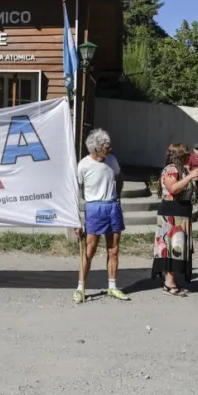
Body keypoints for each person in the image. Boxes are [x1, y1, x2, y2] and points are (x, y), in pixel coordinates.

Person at [73, 128, 129, 303]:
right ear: (96, 148)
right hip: (94, 208)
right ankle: (80, 288)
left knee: (113, 249)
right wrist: (76, 220)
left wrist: (117, 196)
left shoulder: (112, 160)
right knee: (90, 250)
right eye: (106, 146)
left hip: (112, 206)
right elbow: (74, 192)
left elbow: (119, 177)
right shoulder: (83, 165)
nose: (110, 149)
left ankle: (112, 287)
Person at [153, 143, 198, 297]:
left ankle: (172, 280)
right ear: (179, 156)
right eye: (186, 155)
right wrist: (190, 177)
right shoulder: (171, 170)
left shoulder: (184, 170)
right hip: (171, 213)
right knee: (173, 247)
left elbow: (187, 188)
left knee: (178, 247)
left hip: (183, 212)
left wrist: (197, 183)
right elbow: (173, 189)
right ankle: (169, 283)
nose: (189, 157)